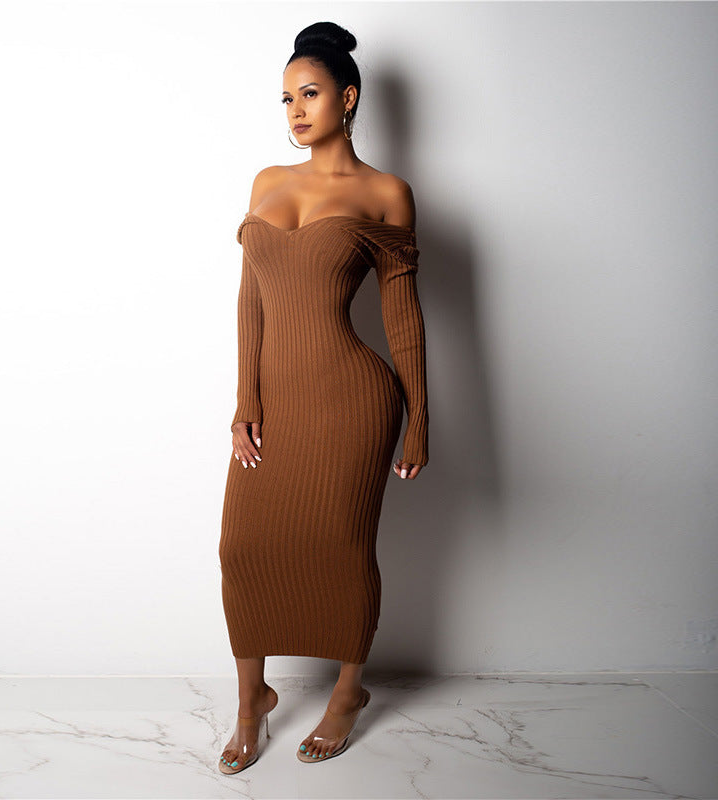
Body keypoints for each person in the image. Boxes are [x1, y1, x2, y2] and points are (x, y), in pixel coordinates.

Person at [217, 21, 429, 774]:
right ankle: (252, 699)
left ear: (348, 97)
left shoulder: (385, 193)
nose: (295, 110)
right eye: (286, 99)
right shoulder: (267, 183)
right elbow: (251, 301)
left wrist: (420, 419)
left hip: (352, 401)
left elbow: (403, 317)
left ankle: (347, 692)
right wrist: (245, 400)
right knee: (241, 547)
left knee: (344, 547)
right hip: (275, 400)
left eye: (308, 94)